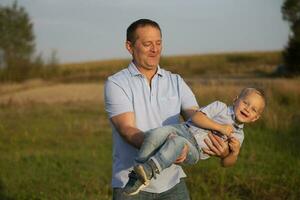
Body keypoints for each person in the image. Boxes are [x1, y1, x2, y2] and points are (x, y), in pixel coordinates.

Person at [104, 18, 230, 200]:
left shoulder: (176, 81)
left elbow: (196, 117)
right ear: (129, 46)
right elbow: (127, 130)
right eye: (147, 44)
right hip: (130, 184)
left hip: (172, 183)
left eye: (158, 43)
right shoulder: (116, 83)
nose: (155, 50)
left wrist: (220, 136)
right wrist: (171, 148)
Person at [123, 87, 266, 196]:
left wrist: (234, 153)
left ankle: (149, 169)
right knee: (158, 132)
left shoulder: (239, 135)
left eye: (253, 109)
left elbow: (227, 163)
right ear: (236, 100)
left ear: (255, 118)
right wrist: (220, 128)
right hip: (184, 129)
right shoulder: (219, 107)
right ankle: (137, 174)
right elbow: (196, 118)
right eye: (245, 103)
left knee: (177, 142)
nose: (247, 109)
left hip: (195, 150)